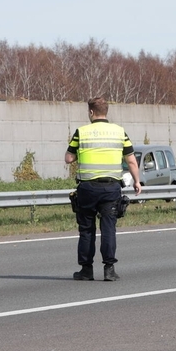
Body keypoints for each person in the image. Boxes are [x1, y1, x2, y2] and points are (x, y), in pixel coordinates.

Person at [65, 97, 142, 281]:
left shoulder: (81, 132)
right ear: (106, 112)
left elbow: (68, 158)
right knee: (108, 228)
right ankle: (109, 270)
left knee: (86, 229)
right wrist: (137, 181)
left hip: (87, 188)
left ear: (91, 112)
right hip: (111, 188)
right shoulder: (119, 132)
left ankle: (86, 270)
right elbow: (131, 160)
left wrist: (82, 153)